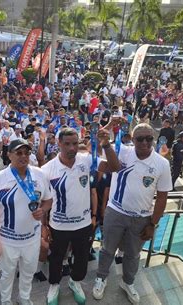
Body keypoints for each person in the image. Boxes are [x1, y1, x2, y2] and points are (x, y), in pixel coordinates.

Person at [92, 124, 172, 304]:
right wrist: (105, 141)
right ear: (133, 139)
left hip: (142, 217)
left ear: (154, 139)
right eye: (140, 139)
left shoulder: (162, 163)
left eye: (149, 138)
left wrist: (153, 224)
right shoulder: (122, 152)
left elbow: (162, 197)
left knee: (133, 254)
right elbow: (109, 164)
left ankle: (127, 282)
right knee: (107, 249)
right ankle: (101, 278)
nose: (144, 142)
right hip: (116, 211)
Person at [41, 127, 120, 305]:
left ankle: (74, 282)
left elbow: (115, 167)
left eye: (75, 143)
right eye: (67, 144)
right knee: (56, 258)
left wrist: (106, 144)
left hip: (83, 224)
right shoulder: (47, 170)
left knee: (82, 258)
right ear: (59, 144)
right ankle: (54, 285)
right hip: (58, 225)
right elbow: (44, 202)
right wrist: (44, 227)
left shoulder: (87, 160)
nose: (71, 148)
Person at [0, 138, 53, 305]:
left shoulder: (39, 174)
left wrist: (42, 210)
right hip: (7, 240)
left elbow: (48, 200)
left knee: (28, 272)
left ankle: (24, 298)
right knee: (7, 274)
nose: (23, 156)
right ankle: (6, 301)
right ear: (9, 155)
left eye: (27, 153)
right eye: (19, 153)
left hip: (31, 238)